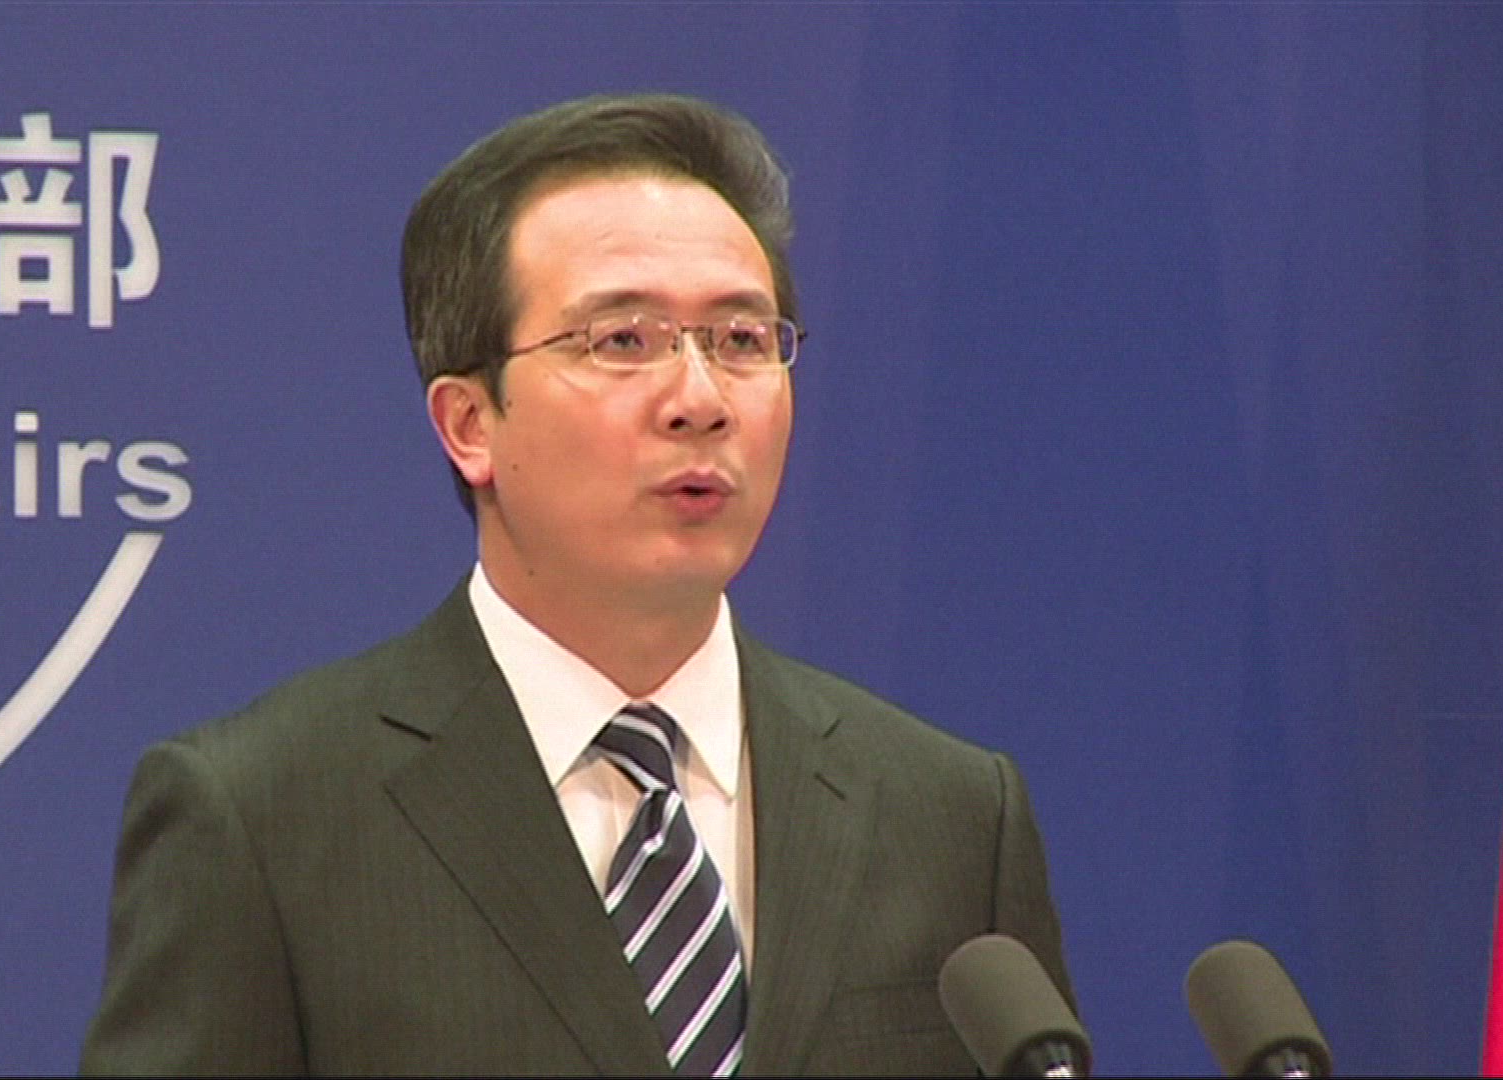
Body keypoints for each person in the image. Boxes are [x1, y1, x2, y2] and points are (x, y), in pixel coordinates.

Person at [79, 92, 1073, 1077]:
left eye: (741, 340)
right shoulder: (262, 817)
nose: (699, 400)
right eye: (623, 341)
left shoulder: (949, 817)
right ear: (470, 424)